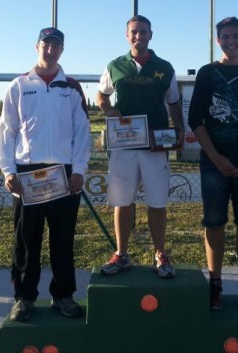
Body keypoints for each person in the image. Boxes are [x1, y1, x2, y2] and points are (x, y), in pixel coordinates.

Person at [0, 27, 90, 322]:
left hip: (63, 175)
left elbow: (82, 133)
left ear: (62, 50)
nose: (50, 50)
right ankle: (24, 298)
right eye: (46, 45)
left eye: (56, 46)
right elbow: (6, 132)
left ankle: (63, 295)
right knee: (26, 239)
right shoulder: (19, 86)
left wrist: (79, 170)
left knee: (62, 240)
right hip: (27, 175)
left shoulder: (72, 88)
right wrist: (8, 170)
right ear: (37, 47)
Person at [188, 17, 238, 312]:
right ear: (218, 40)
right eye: (225, 36)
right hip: (214, 164)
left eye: (236, 36)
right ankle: (215, 284)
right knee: (214, 224)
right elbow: (195, 119)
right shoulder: (208, 73)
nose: (231, 41)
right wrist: (216, 157)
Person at [96, 15, 184, 278]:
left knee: (157, 202)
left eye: (143, 32)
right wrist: (108, 109)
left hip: (156, 145)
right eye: (134, 32)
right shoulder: (115, 65)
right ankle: (122, 254)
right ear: (127, 35)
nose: (139, 36)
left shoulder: (165, 67)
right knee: (122, 201)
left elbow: (174, 102)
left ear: (151, 35)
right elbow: (101, 94)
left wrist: (179, 131)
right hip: (123, 145)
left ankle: (160, 253)